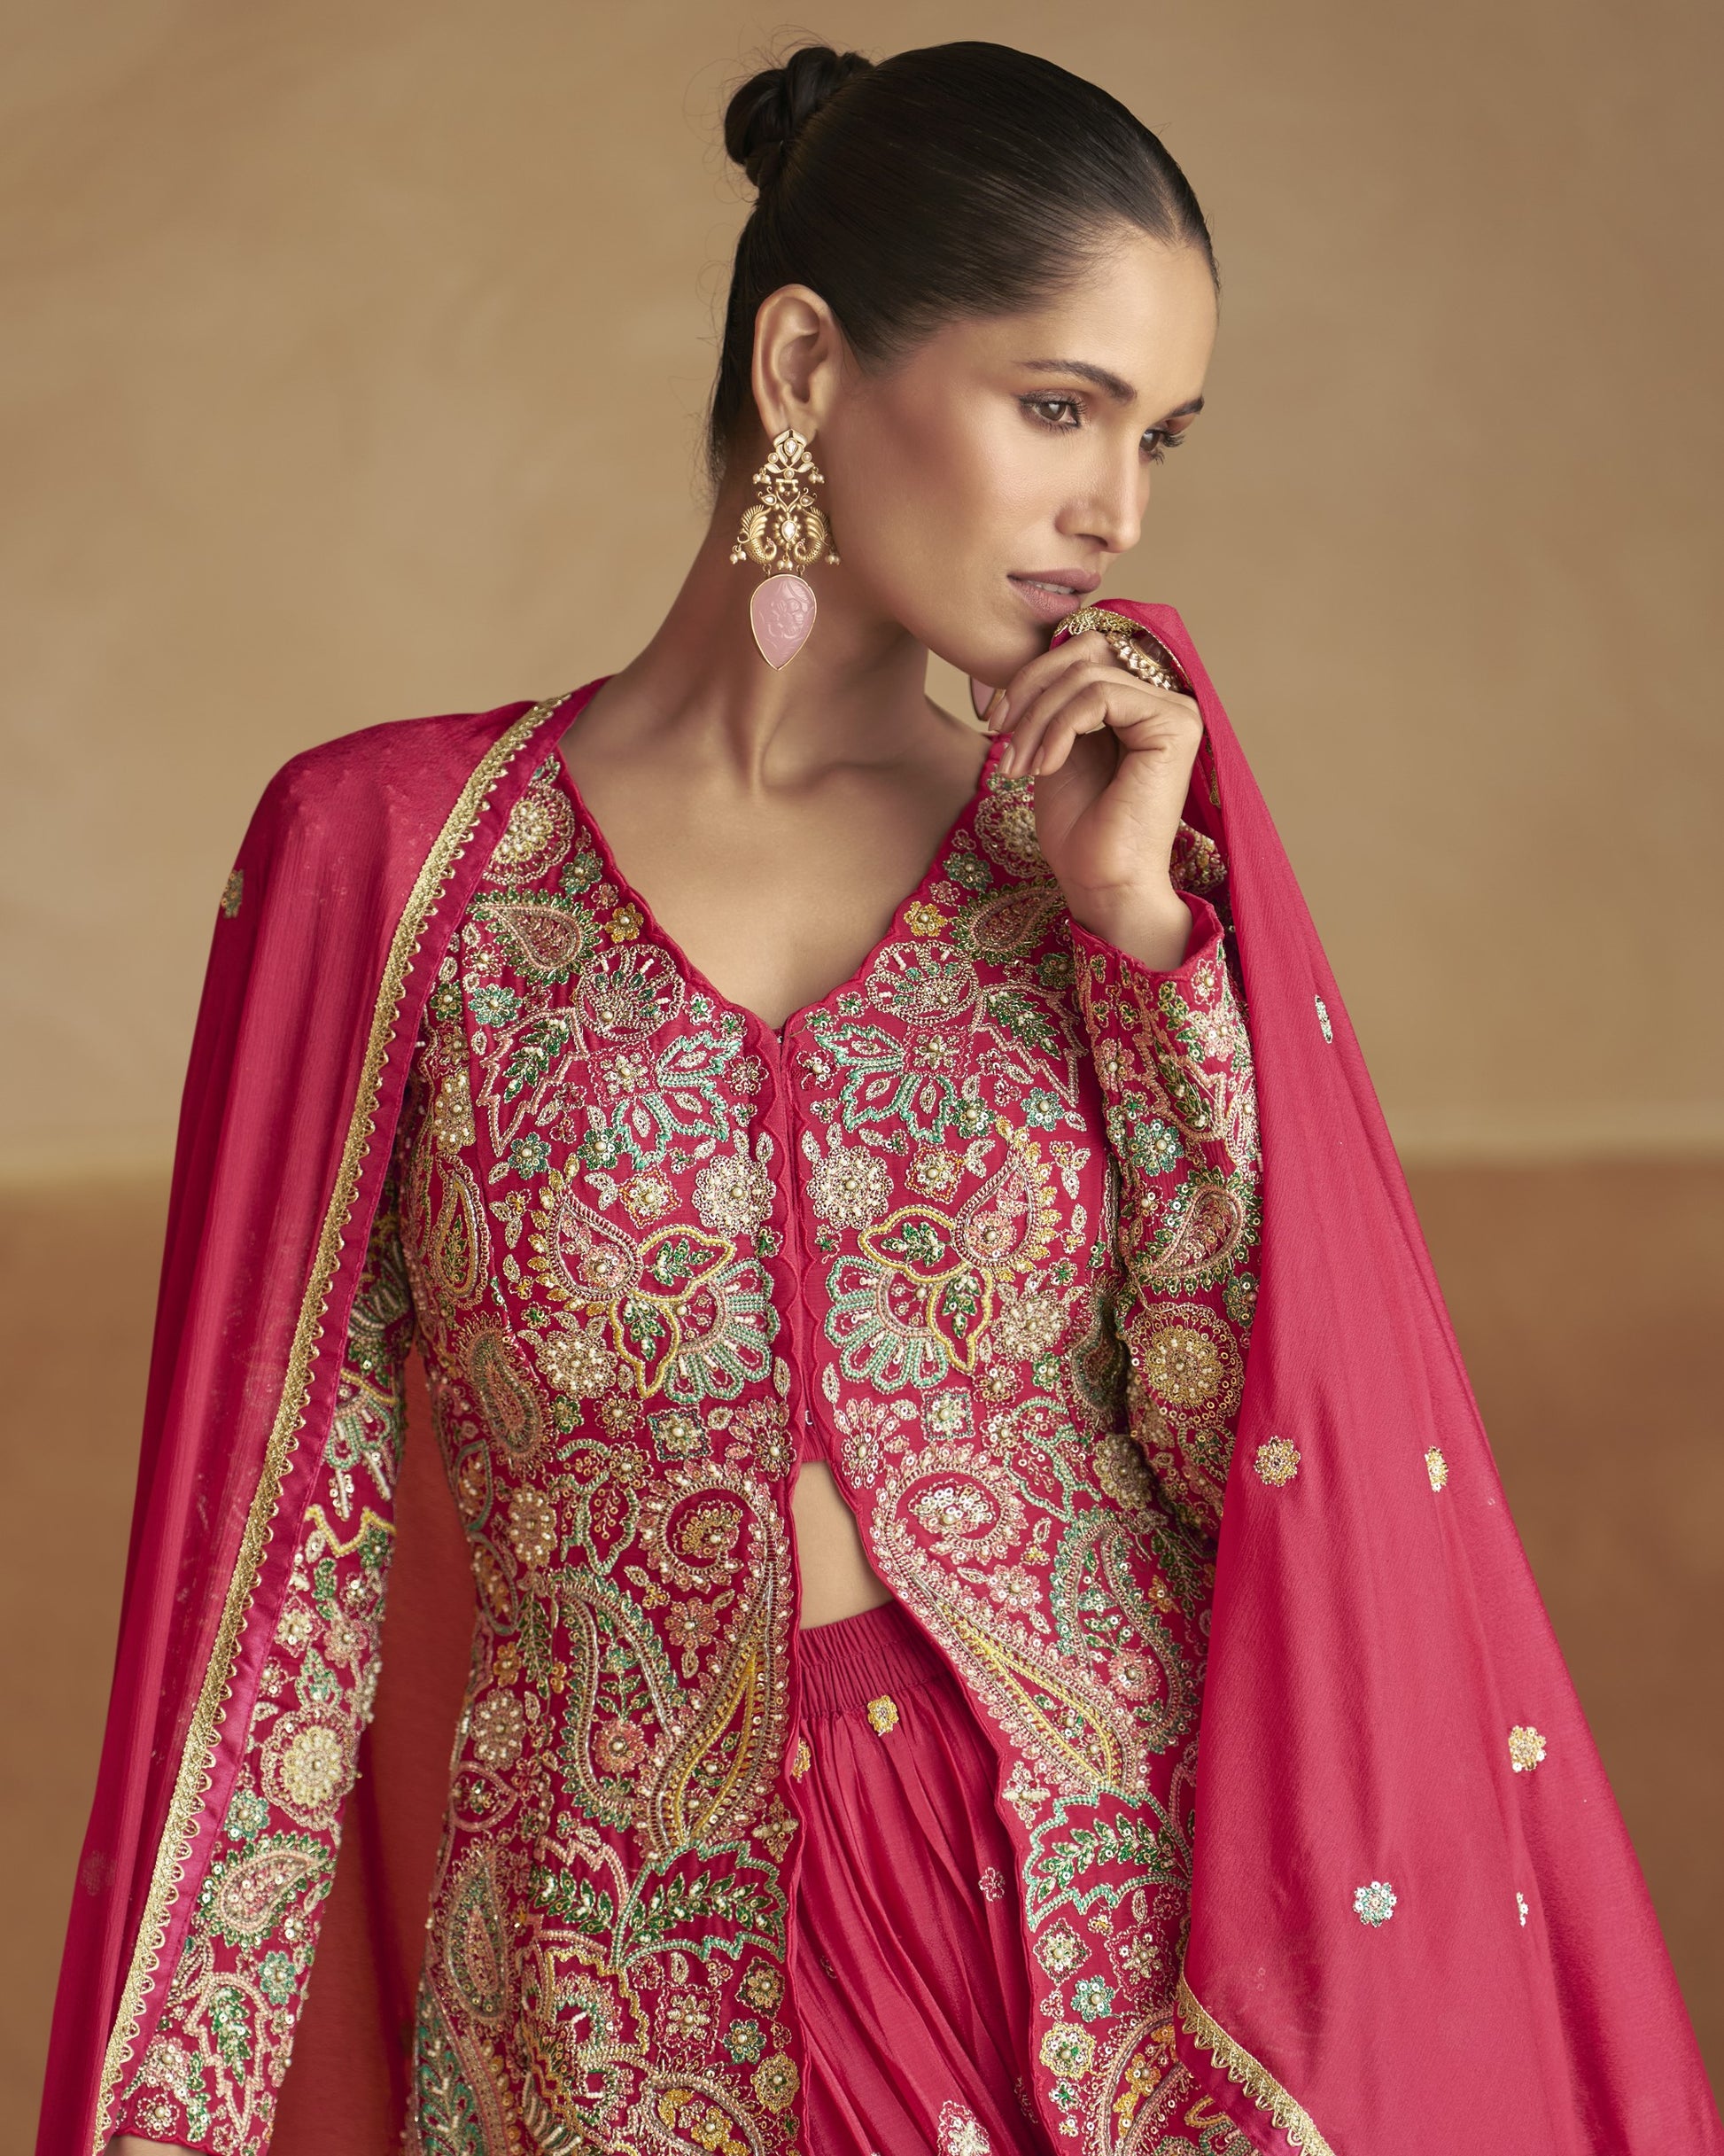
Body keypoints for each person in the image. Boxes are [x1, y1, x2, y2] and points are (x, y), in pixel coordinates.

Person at [43, 38, 1717, 2156]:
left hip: (1095, 1965)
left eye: (1157, 436)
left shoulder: (1106, 872)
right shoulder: (393, 865)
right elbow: (265, 1587)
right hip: (615, 1996)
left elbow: (1262, 1470)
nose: (1114, 508)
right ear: (812, 363)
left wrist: (1149, 956)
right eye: (1058, 405)